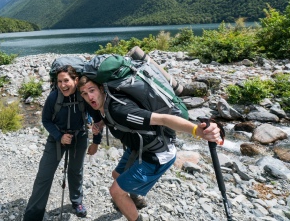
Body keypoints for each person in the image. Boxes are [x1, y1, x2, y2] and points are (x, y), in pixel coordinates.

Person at [78, 76, 222, 221]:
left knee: (115, 191)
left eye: (92, 90)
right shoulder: (106, 104)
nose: (89, 96)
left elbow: (163, 119)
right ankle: (134, 200)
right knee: (116, 174)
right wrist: (100, 124)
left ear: (102, 89)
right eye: (84, 93)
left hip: (156, 154)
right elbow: (109, 117)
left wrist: (196, 130)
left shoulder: (120, 110)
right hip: (138, 147)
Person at [23, 66, 102, 221]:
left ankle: (77, 202)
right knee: (44, 176)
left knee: (76, 171)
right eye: (59, 81)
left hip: (79, 138)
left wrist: (96, 142)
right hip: (56, 139)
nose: (62, 85)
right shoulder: (54, 97)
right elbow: (45, 120)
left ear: (76, 80)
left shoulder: (83, 96)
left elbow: (97, 119)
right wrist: (59, 136)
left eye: (66, 80)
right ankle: (33, 215)